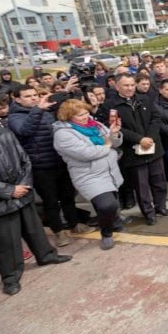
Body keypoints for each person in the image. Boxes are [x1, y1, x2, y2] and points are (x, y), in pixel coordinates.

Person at [9, 85, 97, 246]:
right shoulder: (15, 117)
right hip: (40, 166)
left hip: (59, 162)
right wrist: (38, 110)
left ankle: (74, 224)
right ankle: (58, 231)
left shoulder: (47, 112)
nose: (34, 98)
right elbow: (24, 131)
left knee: (68, 197)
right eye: (28, 96)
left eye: (35, 95)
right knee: (50, 201)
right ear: (17, 99)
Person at [0, 126, 73, 295]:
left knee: (34, 230)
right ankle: (11, 278)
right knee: (7, 242)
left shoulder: (4, 133)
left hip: (22, 191)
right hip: (0, 201)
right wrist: (9, 190)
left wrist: (22, 185)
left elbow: (25, 160)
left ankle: (46, 255)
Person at [52, 100, 124, 250]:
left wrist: (114, 133)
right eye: (80, 115)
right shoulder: (63, 134)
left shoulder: (95, 125)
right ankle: (106, 233)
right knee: (108, 204)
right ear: (68, 116)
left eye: (86, 112)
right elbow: (86, 153)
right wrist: (107, 145)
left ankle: (113, 222)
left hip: (109, 170)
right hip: (89, 175)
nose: (86, 116)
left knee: (109, 203)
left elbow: (115, 143)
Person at [106, 73, 168, 225]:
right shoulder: (111, 106)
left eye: (132, 85)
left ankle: (160, 206)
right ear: (117, 86)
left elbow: (156, 118)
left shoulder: (145, 99)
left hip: (153, 148)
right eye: (126, 85)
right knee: (141, 187)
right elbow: (116, 129)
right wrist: (139, 139)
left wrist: (150, 138)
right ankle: (148, 213)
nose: (129, 88)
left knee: (159, 181)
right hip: (133, 152)